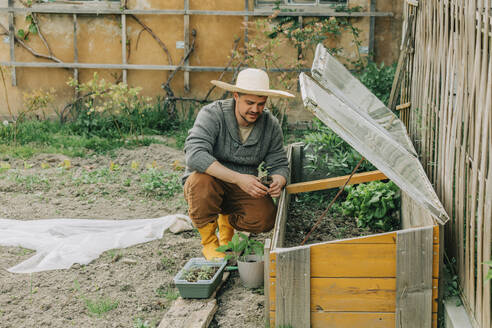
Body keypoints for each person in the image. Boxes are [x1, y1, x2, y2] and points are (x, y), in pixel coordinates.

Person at [182, 68, 294, 260]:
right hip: (209, 182)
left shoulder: (270, 125)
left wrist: (279, 179)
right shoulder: (213, 114)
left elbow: (279, 162)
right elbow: (194, 154)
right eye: (249, 103)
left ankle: (227, 229)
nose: (255, 110)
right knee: (201, 182)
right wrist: (238, 178)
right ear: (236, 96)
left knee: (266, 218)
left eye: (261, 104)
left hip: (242, 187)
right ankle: (209, 243)